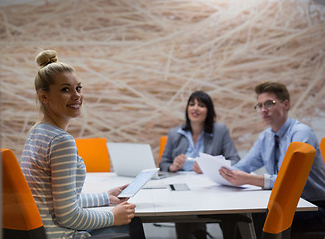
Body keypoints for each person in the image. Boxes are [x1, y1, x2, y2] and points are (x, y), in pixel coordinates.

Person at [21, 49, 145, 239]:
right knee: (133, 224)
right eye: (65, 90)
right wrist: (112, 216)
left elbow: (58, 202)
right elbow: (68, 217)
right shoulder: (61, 141)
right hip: (61, 235)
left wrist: (105, 198)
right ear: (43, 97)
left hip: (42, 232)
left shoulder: (37, 132)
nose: (76, 95)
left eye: (78, 88)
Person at [219, 81, 325, 238]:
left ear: (286, 104)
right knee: (232, 213)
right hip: (284, 203)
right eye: (259, 105)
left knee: (254, 215)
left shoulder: (301, 134)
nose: (263, 110)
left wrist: (249, 179)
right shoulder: (266, 137)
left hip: (313, 206)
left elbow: (289, 182)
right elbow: (244, 165)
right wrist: (222, 170)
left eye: (269, 103)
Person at [159, 90, 240, 239]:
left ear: (208, 111)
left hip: (211, 187)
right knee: (183, 211)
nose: (195, 108)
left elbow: (235, 160)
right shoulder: (174, 133)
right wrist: (172, 167)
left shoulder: (220, 131)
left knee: (231, 214)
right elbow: (163, 163)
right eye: (191, 104)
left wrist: (210, 167)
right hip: (182, 188)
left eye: (201, 105)